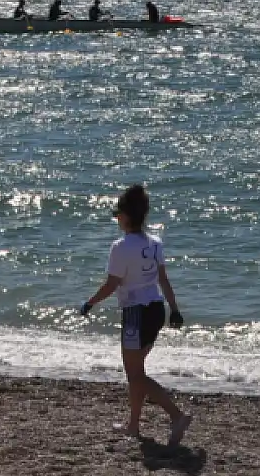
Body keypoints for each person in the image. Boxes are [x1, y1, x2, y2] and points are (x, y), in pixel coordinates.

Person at [81, 183, 191, 445]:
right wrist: (174, 309)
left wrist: (89, 303)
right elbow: (163, 280)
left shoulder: (120, 246)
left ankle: (177, 416)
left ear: (127, 216)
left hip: (135, 314)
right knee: (137, 369)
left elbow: (112, 284)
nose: (116, 218)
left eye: (118, 214)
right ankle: (133, 426)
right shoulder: (155, 243)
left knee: (135, 375)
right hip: (156, 310)